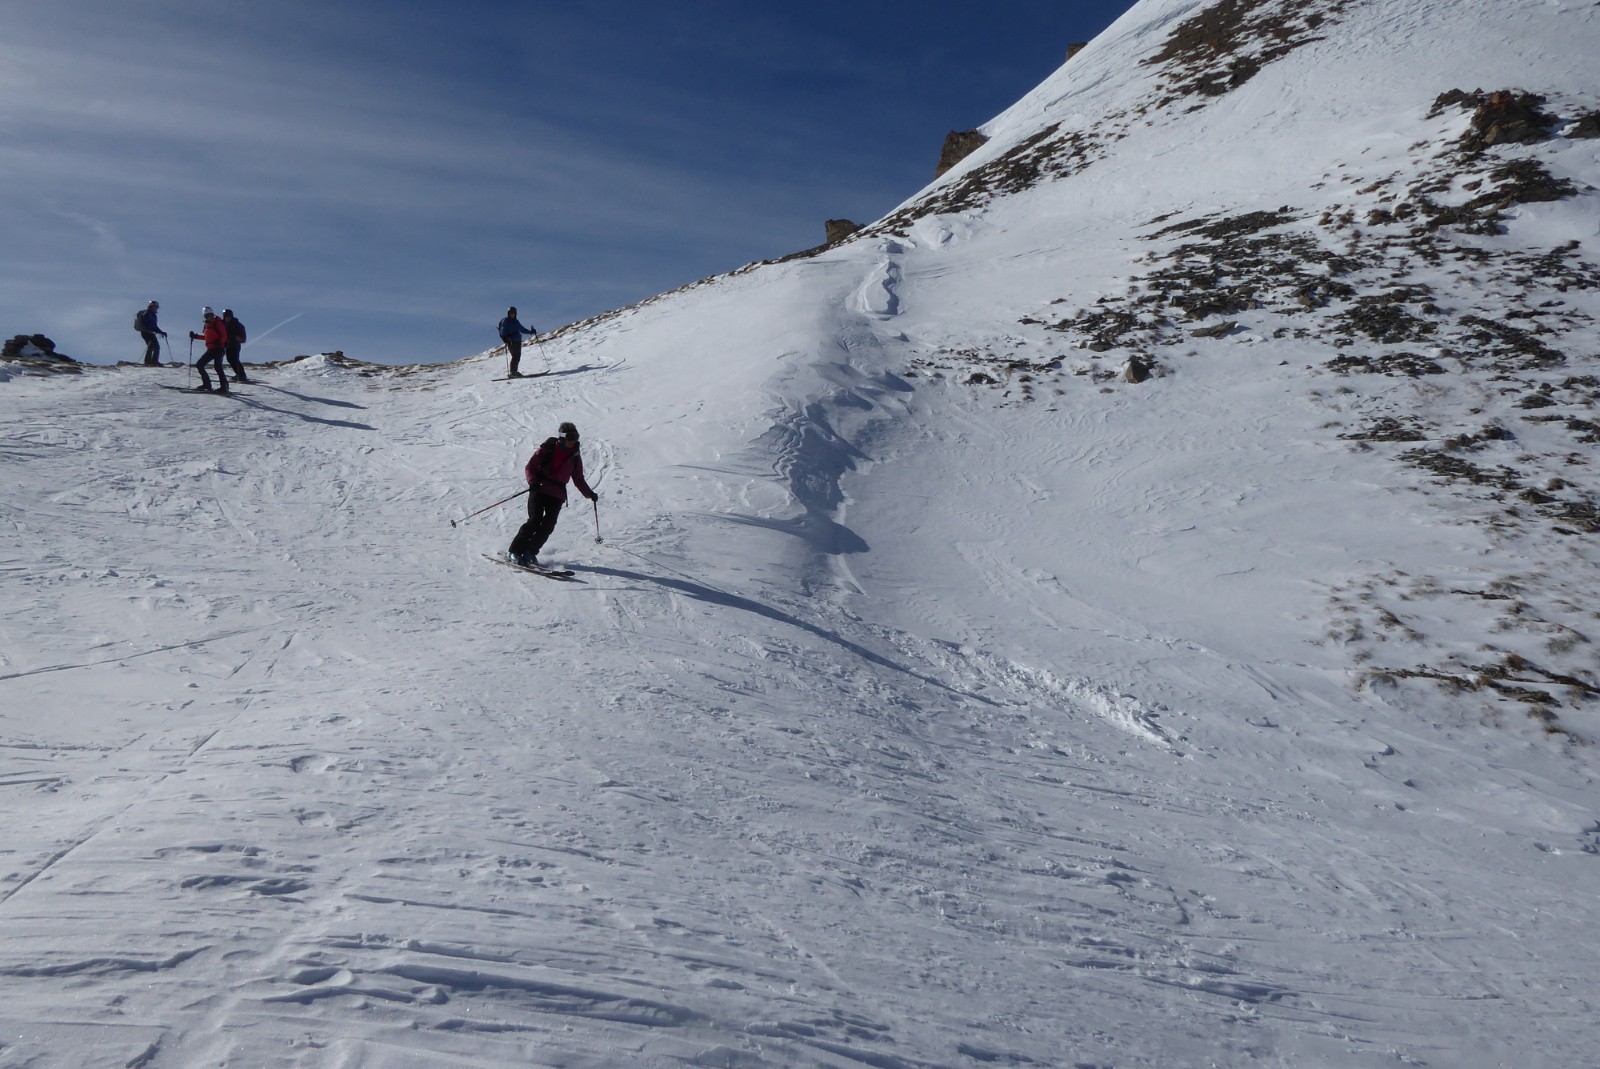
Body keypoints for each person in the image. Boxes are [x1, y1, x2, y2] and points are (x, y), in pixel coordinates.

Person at [508, 421, 596, 567]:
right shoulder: (548, 449)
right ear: (562, 438)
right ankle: (515, 552)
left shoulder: (575, 456)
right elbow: (530, 466)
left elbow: (578, 479)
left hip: (557, 494)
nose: (573, 441)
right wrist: (532, 482)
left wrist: (589, 494)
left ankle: (530, 552)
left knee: (549, 524)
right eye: (570, 437)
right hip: (540, 489)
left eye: (575, 437)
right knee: (535, 520)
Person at [188, 307, 229, 394]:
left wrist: (220, 342)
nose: (208, 317)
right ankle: (207, 385)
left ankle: (224, 387)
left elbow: (224, 335)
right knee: (200, 365)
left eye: (209, 315)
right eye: (206, 316)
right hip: (211, 349)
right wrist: (196, 336)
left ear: (212, 314)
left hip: (218, 348)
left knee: (217, 367)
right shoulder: (207, 325)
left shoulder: (218, 322)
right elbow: (207, 338)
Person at [498, 306, 537, 378]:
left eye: (513, 313)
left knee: (517, 356)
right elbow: (503, 329)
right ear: (508, 314)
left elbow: (522, 329)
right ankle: (513, 372)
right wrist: (504, 337)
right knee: (515, 356)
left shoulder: (516, 322)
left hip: (518, 341)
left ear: (515, 314)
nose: (512, 314)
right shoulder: (506, 320)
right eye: (510, 313)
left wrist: (531, 332)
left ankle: (514, 372)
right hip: (511, 340)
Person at [135, 300, 167, 366]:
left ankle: (149, 361)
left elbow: (153, 326)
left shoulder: (150, 314)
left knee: (152, 346)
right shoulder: (149, 314)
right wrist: (160, 332)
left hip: (146, 332)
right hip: (147, 332)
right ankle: (152, 362)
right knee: (155, 346)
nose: (156, 308)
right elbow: (152, 326)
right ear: (151, 307)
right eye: (155, 307)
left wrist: (160, 332)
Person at [221, 309, 249, 383]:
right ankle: (239, 374)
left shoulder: (237, 324)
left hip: (235, 344)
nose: (227, 318)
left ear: (231, 316)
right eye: (225, 316)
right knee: (230, 359)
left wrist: (238, 338)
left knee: (234, 359)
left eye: (228, 316)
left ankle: (242, 375)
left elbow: (243, 337)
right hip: (227, 344)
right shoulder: (222, 324)